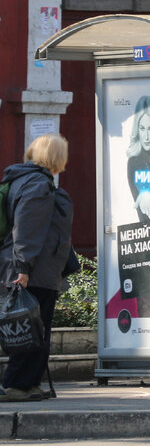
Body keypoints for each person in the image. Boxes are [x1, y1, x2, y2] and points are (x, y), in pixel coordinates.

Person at [0, 134, 74, 402]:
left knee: (34, 328)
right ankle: (16, 385)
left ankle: (29, 384)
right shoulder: (37, 183)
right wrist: (24, 267)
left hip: (35, 268)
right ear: (56, 157)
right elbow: (27, 228)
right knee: (30, 329)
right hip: (33, 271)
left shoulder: (23, 179)